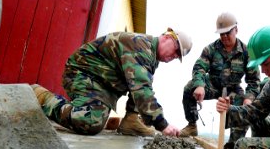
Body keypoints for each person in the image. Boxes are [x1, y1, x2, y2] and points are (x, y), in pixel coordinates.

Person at [32, 28, 192, 137]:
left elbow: (140, 86)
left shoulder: (151, 57)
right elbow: (141, 88)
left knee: (101, 115)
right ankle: (42, 96)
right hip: (83, 73)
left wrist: (132, 116)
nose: (174, 57)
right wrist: (161, 123)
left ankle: (130, 121)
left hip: (103, 85)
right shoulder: (140, 46)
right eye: (176, 51)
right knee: (90, 121)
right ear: (167, 37)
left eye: (178, 57)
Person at [179, 12, 260, 149]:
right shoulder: (210, 49)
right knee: (189, 87)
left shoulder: (248, 52)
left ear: (236, 30)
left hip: (232, 89)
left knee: (245, 108)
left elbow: (254, 81)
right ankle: (192, 125)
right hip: (212, 85)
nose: (224, 37)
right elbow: (199, 67)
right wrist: (199, 85)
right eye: (221, 34)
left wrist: (248, 99)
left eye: (228, 33)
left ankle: (233, 145)